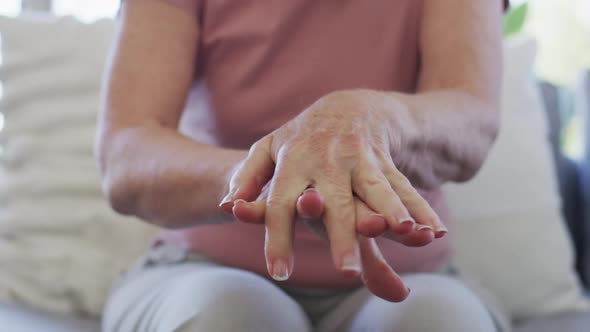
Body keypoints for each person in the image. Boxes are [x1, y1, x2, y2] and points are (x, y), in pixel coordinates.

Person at [98, 0, 508, 331]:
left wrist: (373, 119)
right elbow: (127, 157)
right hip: (202, 270)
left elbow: (471, 124)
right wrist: (275, 178)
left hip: (416, 280)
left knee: (438, 322)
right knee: (227, 316)